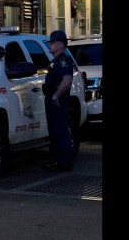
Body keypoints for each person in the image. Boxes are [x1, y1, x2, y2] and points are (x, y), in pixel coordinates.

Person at [42, 30, 77, 172]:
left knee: (60, 131)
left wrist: (56, 95)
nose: (50, 46)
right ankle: (57, 161)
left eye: (52, 43)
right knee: (55, 132)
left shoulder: (63, 61)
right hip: (52, 100)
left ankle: (63, 163)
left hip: (58, 101)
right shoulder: (55, 61)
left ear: (59, 44)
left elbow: (67, 80)